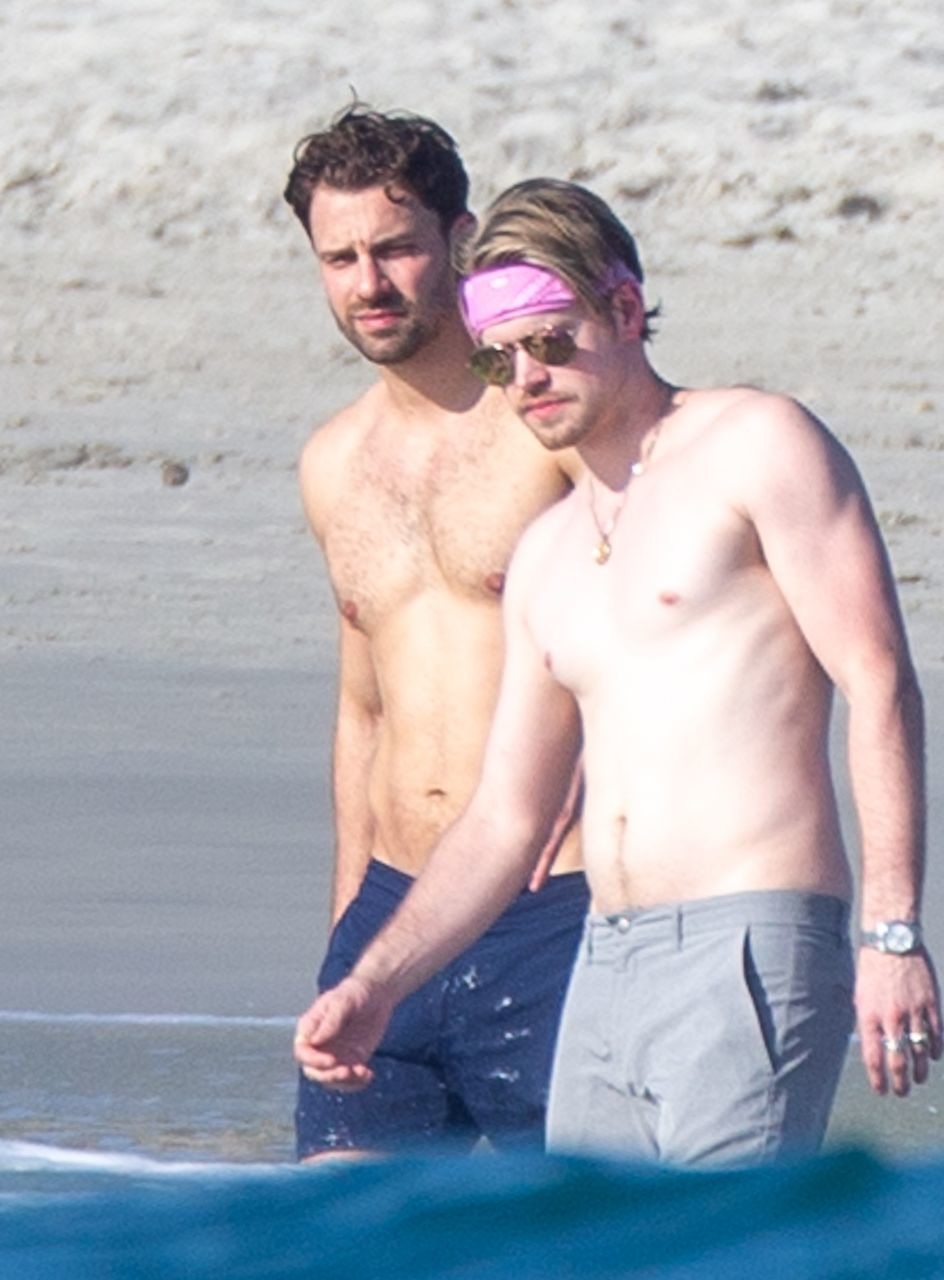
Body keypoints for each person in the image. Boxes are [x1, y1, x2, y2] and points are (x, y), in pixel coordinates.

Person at [294, 178, 942, 1168]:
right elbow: (505, 819)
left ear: (626, 309)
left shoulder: (755, 444)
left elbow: (879, 680)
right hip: (601, 958)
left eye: (551, 342)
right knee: (599, 1241)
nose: (527, 377)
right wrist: (376, 982)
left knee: (715, 1239)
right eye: (500, 357)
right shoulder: (549, 552)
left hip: (746, 937)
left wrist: (891, 934)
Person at [284, 108, 588, 1159]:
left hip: (551, 905)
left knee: (573, 1227)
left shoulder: (550, 426)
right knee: (345, 1229)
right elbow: (362, 708)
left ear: (461, 240)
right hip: (390, 914)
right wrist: (347, 930)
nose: (369, 283)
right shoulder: (331, 463)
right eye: (340, 259)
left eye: (396, 248)